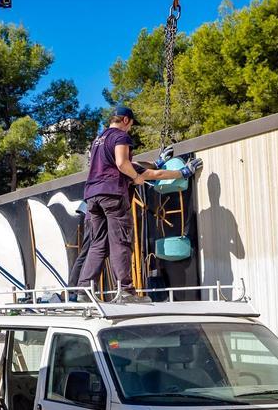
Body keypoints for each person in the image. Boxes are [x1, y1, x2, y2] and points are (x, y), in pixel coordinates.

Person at [74, 106, 202, 302]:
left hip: (92, 196)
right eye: (131, 124)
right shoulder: (121, 137)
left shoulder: (99, 141)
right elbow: (125, 165)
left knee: (98, 245)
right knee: (120, 242)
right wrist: (182, 173)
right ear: (125, 120)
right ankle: (125, 292)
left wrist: (157, 162)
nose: (130, 129)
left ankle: (83, 290)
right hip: (112, 195)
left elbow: (137, 166)